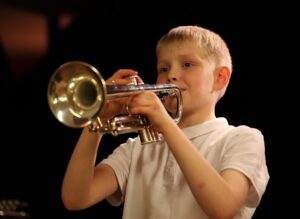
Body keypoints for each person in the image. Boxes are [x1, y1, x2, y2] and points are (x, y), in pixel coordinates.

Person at [61, 25, 269, 219]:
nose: (172, 75)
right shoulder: (136, 149)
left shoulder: (243, 138)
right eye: (163, 69)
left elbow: (223, 207)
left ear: (220, 78)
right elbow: (75, 198)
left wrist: (166, 125)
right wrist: (98, 117)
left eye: (187, 64)